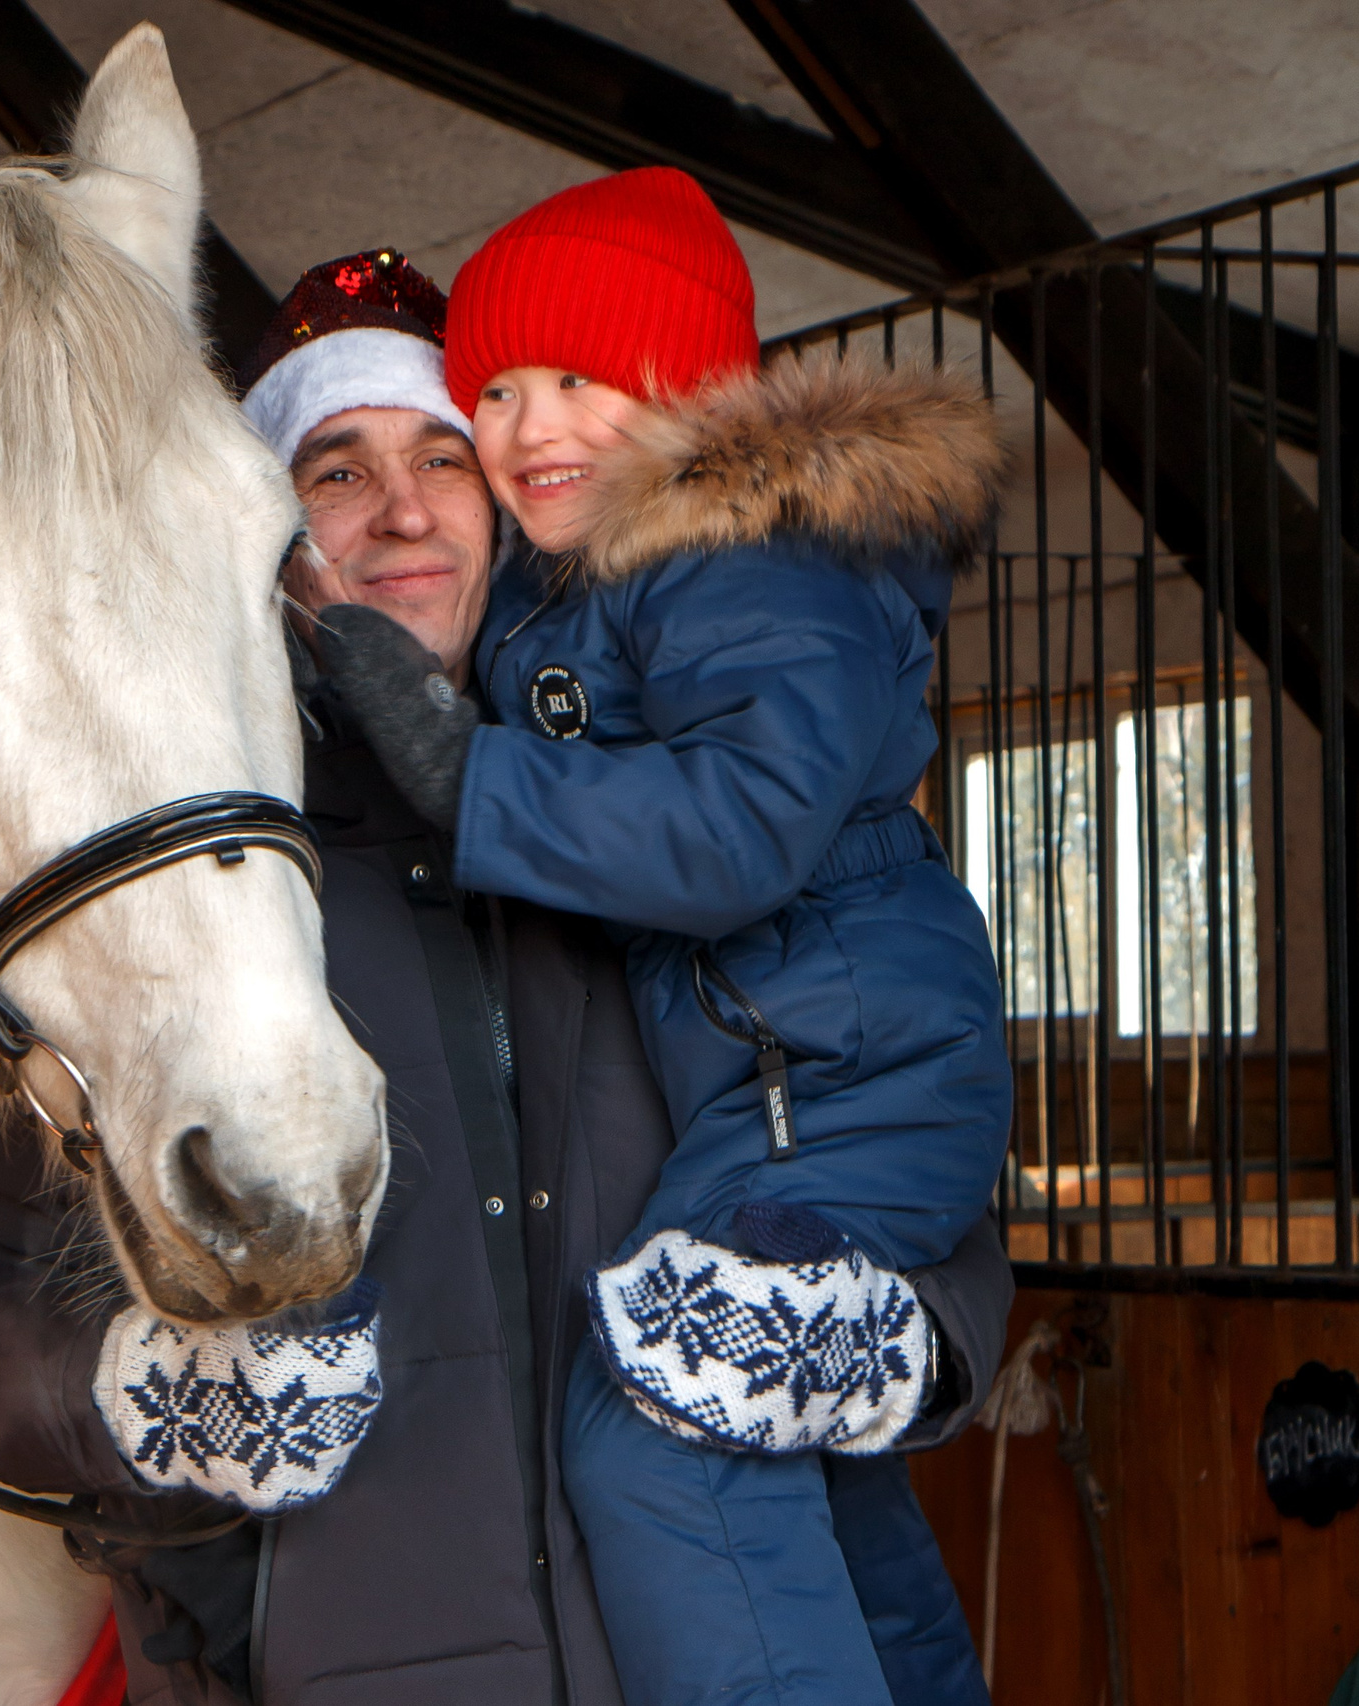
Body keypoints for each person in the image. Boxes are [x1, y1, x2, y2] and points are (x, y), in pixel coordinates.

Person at [0, 249, 1012, 1705]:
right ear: (266, 533)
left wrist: (889, 1343)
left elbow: (919, 1199)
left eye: (443, 458)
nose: (402, 507)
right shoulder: (167, 901)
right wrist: (154, 1400)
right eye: (335, 467)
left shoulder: (673, 832)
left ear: (516, 505)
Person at [311, 174, 1014, 1706]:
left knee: (663, 1440)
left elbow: (736, 831)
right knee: (800, 1459)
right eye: (492, 388)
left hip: (843, 1065)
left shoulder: (745, 557)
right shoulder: (582, 598)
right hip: (778, 1071)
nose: (531, 424)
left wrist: (463, 769)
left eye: (581, 375)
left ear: (693, 387)